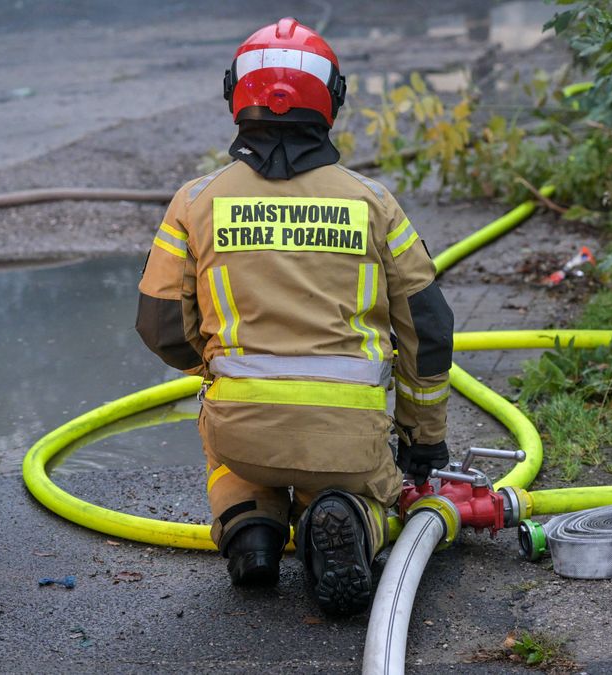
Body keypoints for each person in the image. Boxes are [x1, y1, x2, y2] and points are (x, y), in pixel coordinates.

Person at [134, 17, 453, 616]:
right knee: (369, 494)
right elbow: (429, 332)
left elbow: (157, 325)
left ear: (235, 96)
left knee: (236, 454)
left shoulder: (195, 201)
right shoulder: (373, 202)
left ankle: (249, 532)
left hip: (241, 433)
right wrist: (422, 438)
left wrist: (214, 367)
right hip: (348, 438)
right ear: (331, 102)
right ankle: (352, 523)